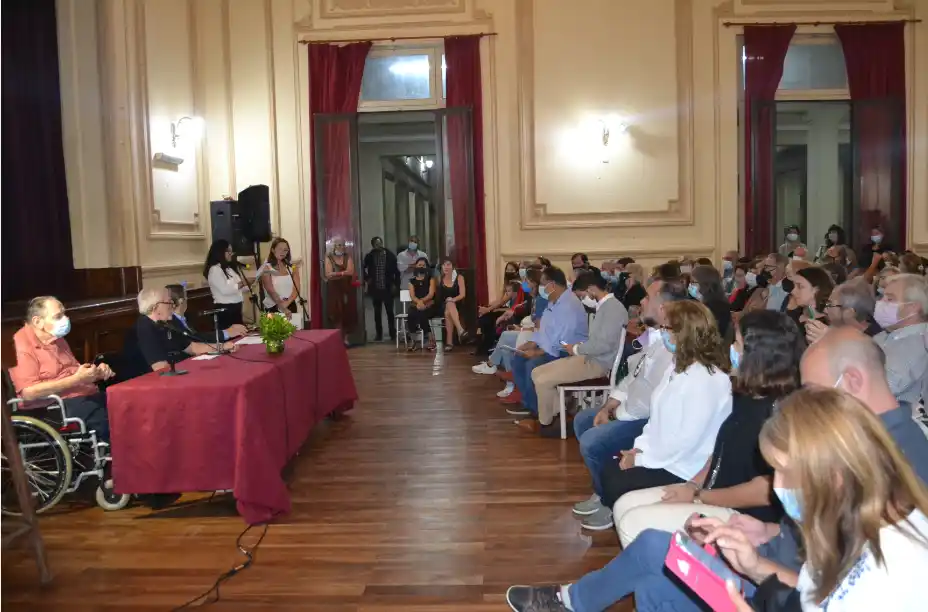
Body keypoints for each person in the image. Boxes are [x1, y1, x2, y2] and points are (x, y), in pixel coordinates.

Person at [505, 327, 928, 612]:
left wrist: (757, 566)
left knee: (655, 562)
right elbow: (822, 537)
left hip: (779, 588)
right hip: (774, 562)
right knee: (654, 565)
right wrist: (767, 532)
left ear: (851, 381)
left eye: (814, 390)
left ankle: (571, 601)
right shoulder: (854, 434)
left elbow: (833, 587)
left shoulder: (894, 458)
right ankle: (572, 601)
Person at [722, 387, 928, 611]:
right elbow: (808, 601)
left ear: (834, 476)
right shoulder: (843, 526)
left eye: (786, 473)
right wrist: (754, 566)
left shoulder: (898, 567)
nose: (777, 487)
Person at [612, 311, 804, 546]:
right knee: (624, 506)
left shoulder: (779, 411)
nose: (731, 349)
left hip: (746, 515)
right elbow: (720, 452)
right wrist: (692, 485)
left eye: (737, 344)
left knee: (634, 521)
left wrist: (699, 496)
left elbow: (765, 490)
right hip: (711, 491)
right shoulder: (747, 395)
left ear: (758, 356)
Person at [581, 300, 732, 531]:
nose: (662, 333)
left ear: (684, 333)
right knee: (610, 468)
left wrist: (640, 460)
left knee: (614, 479)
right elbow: (657, 420)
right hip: (664, 455)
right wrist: (638, 450)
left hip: (684, 467)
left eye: (666, 328)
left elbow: (685, 440)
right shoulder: (678, 366)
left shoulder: (706, 379)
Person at [571, 278, 683, 519]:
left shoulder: (674, 345)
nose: (641, 301)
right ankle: (602, 488)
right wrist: (610, 404)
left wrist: (614, 414)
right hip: (630, 408)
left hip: (650, 419)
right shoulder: (658, 336)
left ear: (663, 307)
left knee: (593, 441)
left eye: (647, 297)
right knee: (583, 420)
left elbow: (650, 403)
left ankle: (610, 502)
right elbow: (633, 375)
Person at [518, 273, 628, 436]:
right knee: (536, 372)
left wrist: (576, 349)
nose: (583, 300)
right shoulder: (606, 306)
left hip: (598, 364)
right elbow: (598, 341)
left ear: (591, 289)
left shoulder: (613, 309)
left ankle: (547, 424)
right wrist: (577, 348)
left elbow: (603, 345)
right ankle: (559, 415)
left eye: (582, 296)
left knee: (542, 379)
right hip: (589, 358)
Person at [9, 296, 114, 441]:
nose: (65, 319)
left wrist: (95, 373)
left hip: (81, 395)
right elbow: (28, 393)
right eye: (58, 316)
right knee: (109, 419)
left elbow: (73, 371)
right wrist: (77, 379)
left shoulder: (56, 338)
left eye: (64, 314)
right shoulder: (20, 345)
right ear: (37, 322)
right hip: (52, 407)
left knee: (123, 401)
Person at [508, 267, 588, 421]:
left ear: (553, 284)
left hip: (568, 352)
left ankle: (539, 413)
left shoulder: (569, 305)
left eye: (543, 284)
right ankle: (530, 404)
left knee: (533, 365)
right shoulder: (553, 302)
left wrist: (538, 352)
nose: (541, 288)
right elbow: (545, 330)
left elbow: (562, 340)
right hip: (552, 347)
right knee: (518, 358)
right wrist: (532, 343)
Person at [123, 287, 236, 377]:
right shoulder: (144, 327)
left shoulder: (168, 322)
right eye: (169, 302)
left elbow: (192, 347)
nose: (173, 306)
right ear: (156, 307)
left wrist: (223, 346)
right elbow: (160, 368)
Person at [873, 274, 928, 406]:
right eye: (882, 297)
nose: (881, 303)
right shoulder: (884, 335)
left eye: (890, 299)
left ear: (912, 307)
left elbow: (883, 387)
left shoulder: (918, 343)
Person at [805, 279, 881, 344]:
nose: (825, 309)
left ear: (849, 313)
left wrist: (829, 339)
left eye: (830, 305)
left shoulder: (875, 341)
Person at [167, 284, 247, 342]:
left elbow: (199, 337)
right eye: (186, 297)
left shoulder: (183, 318)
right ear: (181, 301)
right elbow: (194, 339)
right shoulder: (170, 323)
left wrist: (227, 332)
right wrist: (226, 333)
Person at [362, 236, 400, 342]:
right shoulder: (370, 256)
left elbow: (396, 272)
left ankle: (392, 334)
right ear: (373, 245)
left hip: (387, 288)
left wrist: (395, 284)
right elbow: (362, 268)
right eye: (376, 244)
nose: (378, 245)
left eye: (379, 243)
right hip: (376, 288)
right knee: (377, 313)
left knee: (390, 312)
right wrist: (367, 278)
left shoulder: (390, 256)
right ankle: (379, 334)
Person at [203, 239, 247, 329]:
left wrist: (249, 284)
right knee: (231, 335)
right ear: (220, 252)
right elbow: (225, 290)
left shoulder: (230, 269)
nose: (231, 253)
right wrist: (241, 284)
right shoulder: (215, 270)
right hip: (225, 310)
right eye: (228, 251)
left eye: (231, 251)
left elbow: (239, 289)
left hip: (236, 308)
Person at [324, 237, 357, 345]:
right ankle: (337, 338)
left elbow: (351, 271)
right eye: (339, 245)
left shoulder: (348, 257)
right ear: (334, 246)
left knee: (347, 312)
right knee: (335, 312)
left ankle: (346, 338)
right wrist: (343, 272)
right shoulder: (329, 257)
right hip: (334, 289)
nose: (341, 247)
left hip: (346, 288)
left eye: (343, 245)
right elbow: (328, 274)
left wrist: (336, 273)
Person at [261, 237, 302, 321]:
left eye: (285, 250)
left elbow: (296, 289)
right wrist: (281, 306)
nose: (282, 252)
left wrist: (287, 303)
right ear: (273, 250)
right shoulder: (267, 268)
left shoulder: (292, 268)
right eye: (280, 249)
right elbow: (270, 290)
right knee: (275, 328)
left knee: (292, 328)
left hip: (290, 305)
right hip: (273, 306)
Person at [786, 266, 834, 336]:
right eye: (794, 286)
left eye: (800, 286)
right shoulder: (790, 314)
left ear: (816, 290)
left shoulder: (823, 328)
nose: (793, 291)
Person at [689, 264, 731, 337]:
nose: (690, 285)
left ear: (705, 284)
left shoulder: (717, 306)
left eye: (694, 282)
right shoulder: (702, 302)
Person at [436, 259, 468, 350]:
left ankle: (449, 343)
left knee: (448, 311)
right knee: (448, 307)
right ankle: (460, 330)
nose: (446, 267)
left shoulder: (459, 277)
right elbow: (438, 296)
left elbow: (462, 294)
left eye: (448, 264)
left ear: (453, 266)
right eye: (444, 265)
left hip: (457, 304)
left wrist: (453, 300)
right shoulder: (439, 278)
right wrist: (448, 301)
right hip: (442, 305)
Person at [406, 257, 437, 351]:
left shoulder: (431, 279)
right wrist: (419, 302)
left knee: (422, 313)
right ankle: (414, 340)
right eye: (419, 265)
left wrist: (422, 302)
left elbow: (431, 294)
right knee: (411, 314)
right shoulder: (411, 281)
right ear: (416, 266)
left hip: (429, 304)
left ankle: (430, 339)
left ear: (427, 267)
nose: (421, 267)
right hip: (416, 304)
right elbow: (412, 296)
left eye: (423, 265)